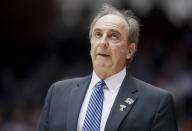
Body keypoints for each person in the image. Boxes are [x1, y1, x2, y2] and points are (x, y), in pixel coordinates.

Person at [37, 4, 178, 131]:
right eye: (98, 34)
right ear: (91, 43)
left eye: (113, 36)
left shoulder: (157, 102)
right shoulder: (58, 93)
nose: (103, 42)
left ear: (130, 50)